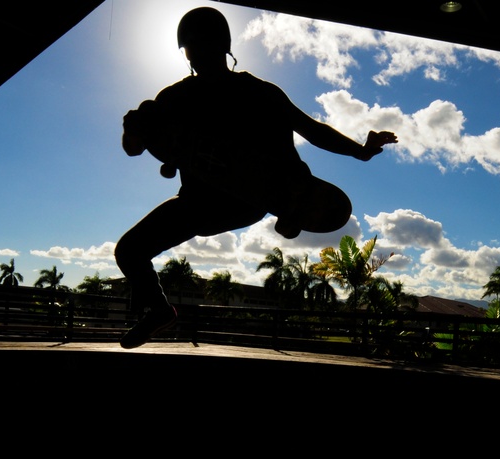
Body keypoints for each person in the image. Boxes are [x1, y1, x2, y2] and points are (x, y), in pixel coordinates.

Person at [115, 7, 397, 349]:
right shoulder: (172, 99)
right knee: (129, 250)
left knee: (266, 142)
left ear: (222, 46)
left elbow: (311, 129)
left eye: (203, 45)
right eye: (191, 47)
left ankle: (290, 188)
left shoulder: (258, 92)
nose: (197, 53)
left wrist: (360, 151)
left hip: (244, 202)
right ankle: (160, 310)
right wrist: (132, 131)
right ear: (185, 51)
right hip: (200, 203)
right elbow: (134, 149)